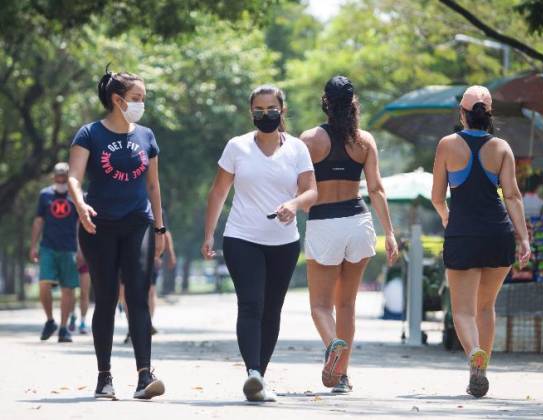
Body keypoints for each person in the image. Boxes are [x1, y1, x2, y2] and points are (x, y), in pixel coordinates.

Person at [201, 85, 317, 402]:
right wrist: (209, 233)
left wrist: (292, 205)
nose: (265, 115)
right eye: (259, 110)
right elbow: (218, 192)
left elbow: (311, 192)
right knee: (251, 303)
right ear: (251, 112)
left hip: (284, 242)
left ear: (283, 110)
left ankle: (260, 378)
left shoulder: (296, 149)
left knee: (272, 309)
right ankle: (252, 371)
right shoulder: (237, 147)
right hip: (242, 237)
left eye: (271, 109)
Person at [68, 66, 166, 400]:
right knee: (107, 298)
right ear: (117, 99)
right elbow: (74, 178)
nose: (141, 104)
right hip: (99, 226)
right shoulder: (89, 134)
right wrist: (80, 206)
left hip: (138, 223)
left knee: (138, 295)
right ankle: (104, 377)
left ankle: (144, 375)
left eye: (143, 98)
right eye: (136, 98)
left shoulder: (147, 136)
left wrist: (161, 227)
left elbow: (153, 185)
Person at [300, 76, 399, 394]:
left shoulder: (310, 140)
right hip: (359, 222)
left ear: (325, 102)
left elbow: (300, 189)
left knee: (319, 307)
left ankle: (333, 345)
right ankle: (341, 376)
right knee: (346, 306)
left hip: (325, 223)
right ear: (353, 103)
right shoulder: (364, 141)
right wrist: (390, 234)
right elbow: (376, 189)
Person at [431, 85, 531, 398]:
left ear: (462, 113)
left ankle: (474, 353)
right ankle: (482, 368)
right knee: (486, 307)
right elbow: (512, 196)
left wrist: (448, 218)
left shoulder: (447, 145)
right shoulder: (501, 147)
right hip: (498, 235)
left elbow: (437, 197)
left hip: (463, 234)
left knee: (462, 311)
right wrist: (523, 238)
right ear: (489, 115)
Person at [29, 162, 79, 343]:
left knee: (68, 288)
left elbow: (81, 223)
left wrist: (81, 249)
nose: (61, 179)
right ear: (53, 177)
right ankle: (50, 321)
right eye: (58, 176)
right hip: (48, 246)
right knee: (44, 283)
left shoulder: (76, 195)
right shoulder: (45, 195)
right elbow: (38, 221)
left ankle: (64, 328)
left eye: (64, 176)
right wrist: (33, 246)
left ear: (68, 177)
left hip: (69, 247)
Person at [121, 223, 177, 344]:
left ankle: (146, 326)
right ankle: (132, 328)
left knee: (150, 291)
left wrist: (170, 252)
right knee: (126, 292)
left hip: (151, 255)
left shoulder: (156, 208)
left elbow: (164, 231)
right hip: (127, 252)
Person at [69, 250, 91, 335]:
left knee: (84, 292)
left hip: (86, 259)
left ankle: (82, 321)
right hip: (71, 257)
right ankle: (72, 316)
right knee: (70, 291)